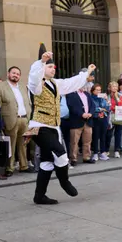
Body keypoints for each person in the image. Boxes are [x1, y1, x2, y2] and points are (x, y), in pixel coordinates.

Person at [25, 44, 95, 204]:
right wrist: (41, 62)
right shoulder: (36, 84)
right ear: (42, 68)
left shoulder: (55, 83)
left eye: (53, 67)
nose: (53, 69)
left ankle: (39, 196)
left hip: (53, 127)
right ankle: (65, 182)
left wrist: (86, 73)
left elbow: (71, 82)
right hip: (39, 127)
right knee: (61, 153)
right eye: (49, 67)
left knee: (47, 162)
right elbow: (33, 77)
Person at [0, 66, 32, 176]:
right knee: (11, 145)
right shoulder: (0, 87)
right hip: (10, 120)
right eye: (13, 73)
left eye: (18, 74)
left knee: (23, 144)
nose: (15, 75)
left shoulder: (23, 87)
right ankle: (9, 168)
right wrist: (0, 122)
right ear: (8, 74)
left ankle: (24, 166)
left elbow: (28, 102)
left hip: (24, 119)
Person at [66, 76, 95, 166]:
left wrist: (90, 113)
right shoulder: (71, 94)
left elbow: (93, 105)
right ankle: (73, 159)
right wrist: (81, 114)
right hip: (76, 121)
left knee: (87, 141)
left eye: (84, 85)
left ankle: (87, 157)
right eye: (82, 84)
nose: (84, 86)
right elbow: (71, 107)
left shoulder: (87, 94)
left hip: (88, 121)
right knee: (74, 142)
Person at [90, 83, 110, 161]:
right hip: (96, 118)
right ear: (93, 91)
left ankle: (102, 152)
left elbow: (108, 107)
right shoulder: (91, 98)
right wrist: (100, 109)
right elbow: (93, 108)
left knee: (103, 136)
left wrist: (106, 100)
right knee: (95, 136)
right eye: (97, 90)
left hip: (104, 118)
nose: (99, 91)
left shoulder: (102, 98)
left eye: (100, 90)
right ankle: (95, 153)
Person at [107, 81, 122, 158]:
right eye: (113, 86)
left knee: (118, 134)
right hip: (111, 117)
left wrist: (117, 98)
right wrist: (114, 108)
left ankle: (116, 150)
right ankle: (106, 150)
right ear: (110, 88)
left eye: (116, 86)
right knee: (109, 134)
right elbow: (107, 105)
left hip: (119, 116)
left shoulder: (120, 96)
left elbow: (121, 105)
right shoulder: (107, 96)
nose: (115, 88)